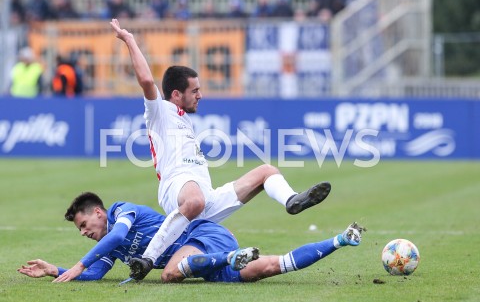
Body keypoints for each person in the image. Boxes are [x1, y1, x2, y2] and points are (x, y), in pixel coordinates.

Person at [109, 18, 332, 281]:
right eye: (195, 90)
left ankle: (291, 200)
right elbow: (146, 80)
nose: (200, 95)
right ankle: (148, 258)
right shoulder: (159, 112)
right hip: (177, 188)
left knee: (266, 171)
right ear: (177, 94)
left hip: (207, 197)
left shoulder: (184, 119)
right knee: (195, 201)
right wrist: (129, 40)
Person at [17, 192, 365, 283]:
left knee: (170, 273)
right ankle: (342, 239)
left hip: (203, 234)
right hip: (207, 256)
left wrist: (77, 264)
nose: (84, 233)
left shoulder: (123, 212)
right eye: (79, 231)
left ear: (98, 212)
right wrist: (54, 270)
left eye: (83, 225)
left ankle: (228, 258)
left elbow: (111, 240)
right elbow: (96, 273)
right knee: (273, 266)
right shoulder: (113, 247)